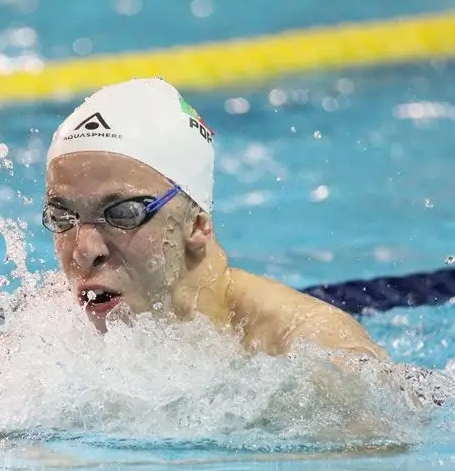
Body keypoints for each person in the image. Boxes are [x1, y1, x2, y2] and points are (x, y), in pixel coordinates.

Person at [42, 76, 388, 362]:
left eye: (123, 214)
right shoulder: (46, 332)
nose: (83, 251)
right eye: (62, 216)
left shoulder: (309, 350)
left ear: (196, 224)